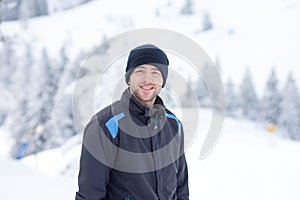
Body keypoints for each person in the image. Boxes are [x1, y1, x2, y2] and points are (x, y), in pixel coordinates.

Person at [75, 44, 189, 200]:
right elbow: (90, 195)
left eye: (155, 72)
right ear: (129, 78)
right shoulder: (106, 125)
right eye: (140, 71)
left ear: (163, 80)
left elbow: (181, 188)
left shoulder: (173, 125)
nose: (147, 79)